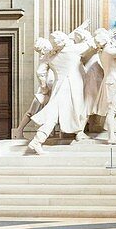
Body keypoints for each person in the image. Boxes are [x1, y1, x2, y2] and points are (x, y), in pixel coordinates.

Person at [27, 25, 95, 154]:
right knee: (75, 110)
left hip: (59, 87)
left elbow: (40, 72)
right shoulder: (73, 50)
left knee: (53, 114)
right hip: (73, 87)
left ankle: (37, 140)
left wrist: (44, 87)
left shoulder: (50, 56)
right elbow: (91, 43)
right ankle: (38, 141)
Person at [16, 37, 55, 138]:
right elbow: (40, 72)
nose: (41, 52)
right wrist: (44, 87)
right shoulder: (46, 57)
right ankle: (19, 130)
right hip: (45, 88)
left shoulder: (53, 54)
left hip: (53, 86)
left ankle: (50, 132)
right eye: (39, 51)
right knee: (32, 111)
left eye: (41, 50)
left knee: (52, 111)